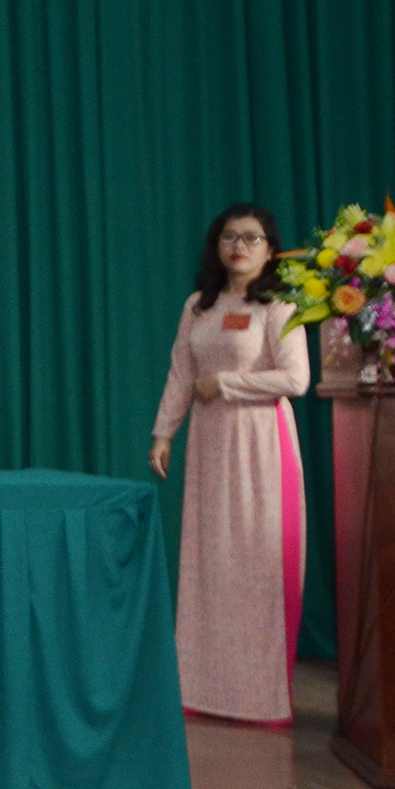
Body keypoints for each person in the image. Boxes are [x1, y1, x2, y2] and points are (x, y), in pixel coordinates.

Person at [150, 202, 309, 725]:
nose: (238, 246)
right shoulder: (199, 305)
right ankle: (202, 689)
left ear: (270, 250)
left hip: (261, 444)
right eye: (228, 236)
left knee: (256, 566)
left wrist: (225, 384)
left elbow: (295, 380)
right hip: (210, 444)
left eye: (252, 237)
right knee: (209, 563)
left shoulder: (279, 307)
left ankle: (260, 699)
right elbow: (180, 371)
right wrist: (163, 432)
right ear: (216, 246)